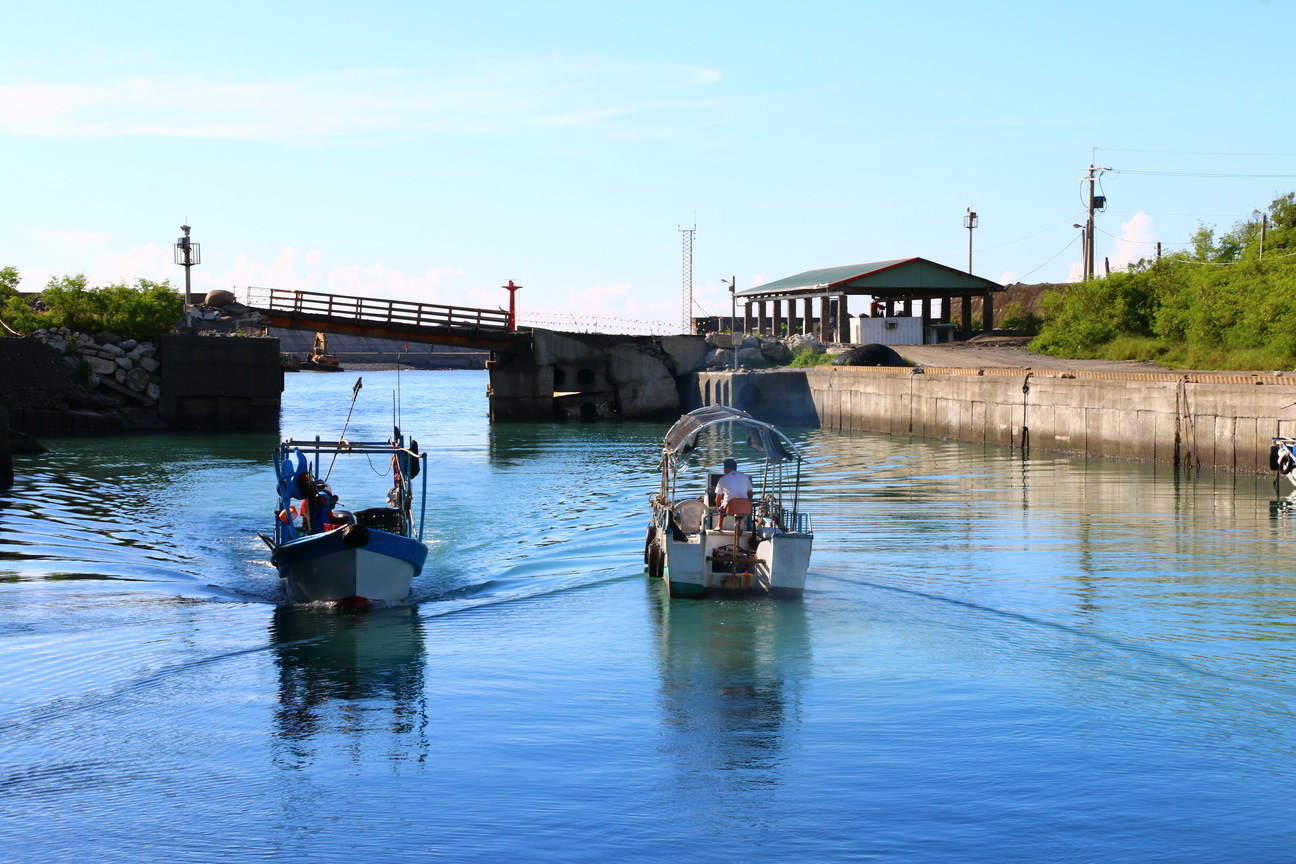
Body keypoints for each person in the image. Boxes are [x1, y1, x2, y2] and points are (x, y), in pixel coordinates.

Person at [713, 458, 753, 528]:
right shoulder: (745, 477)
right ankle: (738, 527)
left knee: (721, 504)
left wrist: (718, 505)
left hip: (730, 508)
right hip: (745, 508)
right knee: (740, 505)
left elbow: (718, 499)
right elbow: (750, 494)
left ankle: (719, 525)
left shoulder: (723, 479)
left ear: (727, 468)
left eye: (724, 468)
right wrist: (747, 501)